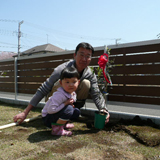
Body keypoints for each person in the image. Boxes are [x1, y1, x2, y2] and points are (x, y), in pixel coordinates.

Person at [13, 42, 110, 126]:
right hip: (55, 102)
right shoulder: (61, 69)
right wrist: (25, 112)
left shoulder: (89, 74)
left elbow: (96, 93)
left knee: (86, 83)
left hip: (71, 103)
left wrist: (103, 109)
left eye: (88, 56)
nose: (84, 59)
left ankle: (70, 113)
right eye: (81, 54)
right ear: (74, 55)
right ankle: (55, 114)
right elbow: (43, 89)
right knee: (61, 84)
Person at [42, 67, 80, 136]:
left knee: (76, 111)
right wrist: (66, 103)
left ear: (78, 82)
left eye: (74, 82)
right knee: (69, 109)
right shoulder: (59, 94)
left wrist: (69, 105)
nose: (71, 85)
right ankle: (57, 129)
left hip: (55, 114)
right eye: (67, 82)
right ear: (61, 83)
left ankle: (63, 124)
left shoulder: (73, 93)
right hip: (48, 118)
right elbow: (51, 110)